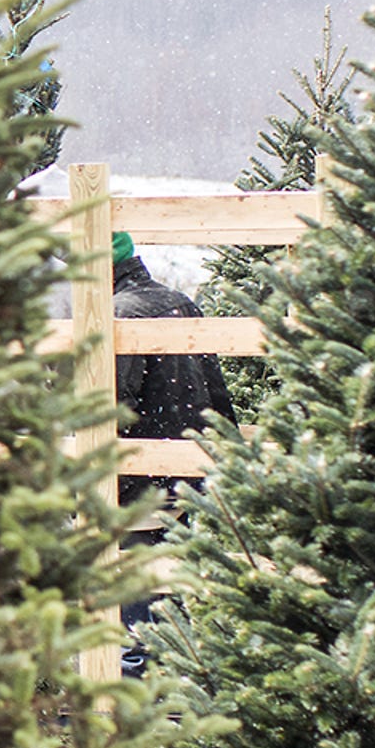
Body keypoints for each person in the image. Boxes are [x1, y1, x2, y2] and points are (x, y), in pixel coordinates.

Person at [110, 230, 234, 675]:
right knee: (171, 591)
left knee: (136, 602)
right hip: (187, 480)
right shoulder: (179, 301)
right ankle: (175, 678)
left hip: (137, 485)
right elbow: (215, 392)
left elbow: (111, 408)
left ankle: (139, 684)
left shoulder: (118, 313)